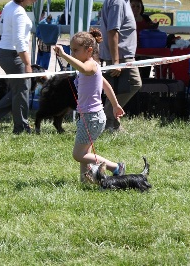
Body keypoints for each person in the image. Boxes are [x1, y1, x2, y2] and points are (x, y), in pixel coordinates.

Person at [53, 29, 126, 181]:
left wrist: (64, 55)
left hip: (92, 117)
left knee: (78, 154)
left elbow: (83, 68)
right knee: (84, 153)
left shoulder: (91, 66)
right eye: (71, 50)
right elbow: (106, 86)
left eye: (75, 50)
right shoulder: (94, 67)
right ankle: (85, 181)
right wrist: (115, 105)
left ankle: (116, 167)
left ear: (89, 50)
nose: (72, 53)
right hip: (90, 116)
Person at [0, 0, 36, 134]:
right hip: (13, 55)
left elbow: (1, 29)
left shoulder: (10, 5)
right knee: (22, 91)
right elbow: (19, 40)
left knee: (18, 91)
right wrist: (27, 64)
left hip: (4, 52)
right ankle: (21, 128)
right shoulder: (19, 12)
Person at [100, 0, 142, 131]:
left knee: (115, 90)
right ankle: (107, 118)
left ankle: (113, 124)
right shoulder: (117, 2)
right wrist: (116, 62)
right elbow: (112, 31)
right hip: (121, 57)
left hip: (121, 56)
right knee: (135, 84)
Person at [130, 0, 159, 78]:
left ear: (141, 7)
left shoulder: (146, 18)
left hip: (146, 51)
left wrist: (154, 26)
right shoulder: (125, 18)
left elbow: (152, 31)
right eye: (133, 6)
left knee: (145, 75)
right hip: (131, 51)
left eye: (138, 6)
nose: (136, 8)